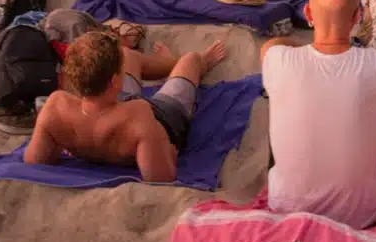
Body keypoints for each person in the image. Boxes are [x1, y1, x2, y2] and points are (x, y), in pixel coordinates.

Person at [260, 0, 376, 229]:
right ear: (357, 17)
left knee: (281, 93)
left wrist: (302, 47)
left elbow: (270, 45)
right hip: (361, 215)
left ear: (308, 13)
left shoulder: (279, 59)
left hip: (286, 208)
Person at [24, 30, 227, 183]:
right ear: (114, 81)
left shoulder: (56, 107)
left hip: (111, 104)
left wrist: (69, 141)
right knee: (191, 60)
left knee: (126, 55)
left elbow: (35, 160)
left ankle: (167, 62)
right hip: (162, 119)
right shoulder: (139, 115)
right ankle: (194, 62)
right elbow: (162, 177)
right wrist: (167, 151)